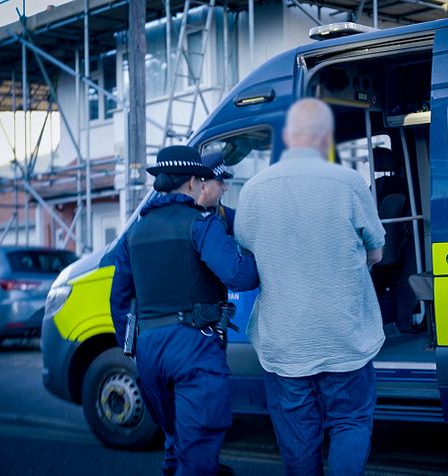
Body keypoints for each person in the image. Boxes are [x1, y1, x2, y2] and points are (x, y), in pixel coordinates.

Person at [234, 98, 386, 476]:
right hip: (344, 336)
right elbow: (377, 253)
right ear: (325, 138)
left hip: (284, 342)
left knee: (298, 438)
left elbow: (247, 252)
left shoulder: (253, 190)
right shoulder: (350, 183)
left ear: (287, 137)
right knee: (350, 422)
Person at [109, 145, 259, 476]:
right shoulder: (199, 224)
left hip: (149, 353)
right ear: (192, 182)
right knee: (198, 450)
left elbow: (119, 300)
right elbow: (239, 275)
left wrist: (133, 347)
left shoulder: (133, 233)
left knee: (177, 441)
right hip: (194, 350)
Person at [200, 151, 235, 234]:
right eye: (220, 183)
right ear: (203, 186)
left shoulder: (227, 216)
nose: (225, 188)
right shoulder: (185, 219)